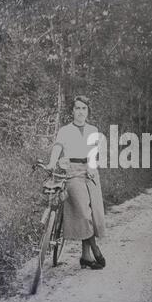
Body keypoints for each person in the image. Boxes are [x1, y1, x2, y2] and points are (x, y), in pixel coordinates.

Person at [47, 95, 106, 269]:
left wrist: (92, 166)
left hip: (90, 172)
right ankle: (95, 249)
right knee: (83, 214)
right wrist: (52, 162)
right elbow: (58, 147)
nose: (80, 112)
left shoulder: (93, 130)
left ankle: (85, 257)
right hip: (72, 173)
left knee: (93, 214)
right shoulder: (65, 130)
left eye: (84, 108)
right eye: (77, 108)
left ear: (88, 111)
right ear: (72, 111)